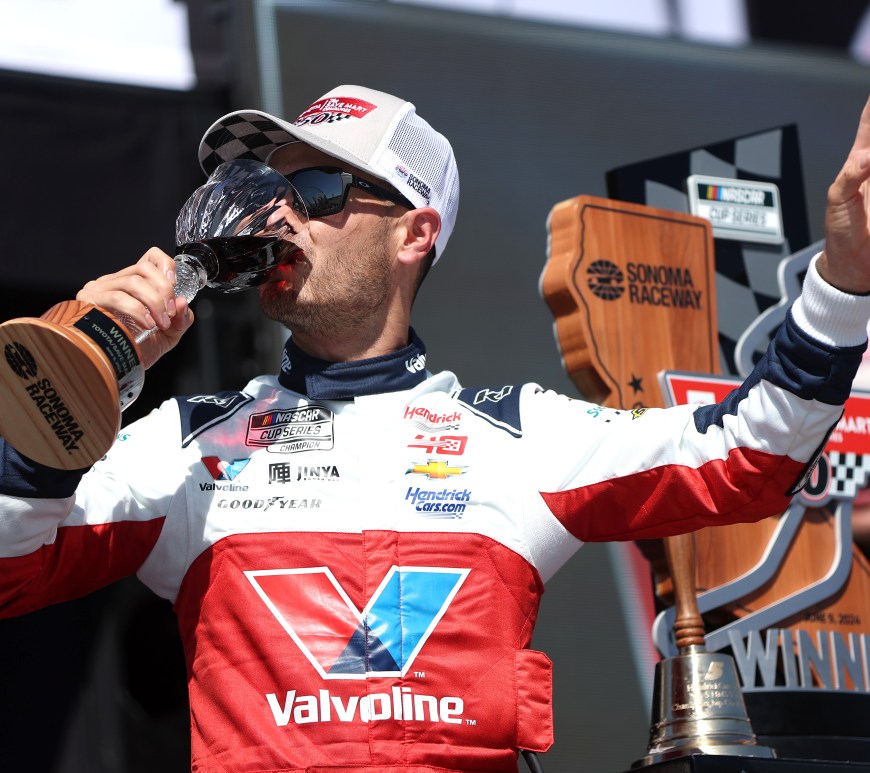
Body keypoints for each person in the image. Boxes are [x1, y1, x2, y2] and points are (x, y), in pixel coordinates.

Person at [1, 84, 869, 773]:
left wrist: (844, 273)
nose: (276, 219)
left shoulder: (521, 437)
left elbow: (751, 450)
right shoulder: (187, 445)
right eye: (269, 193)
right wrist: (65, 392)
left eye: (315, 191)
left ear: (414, 232)